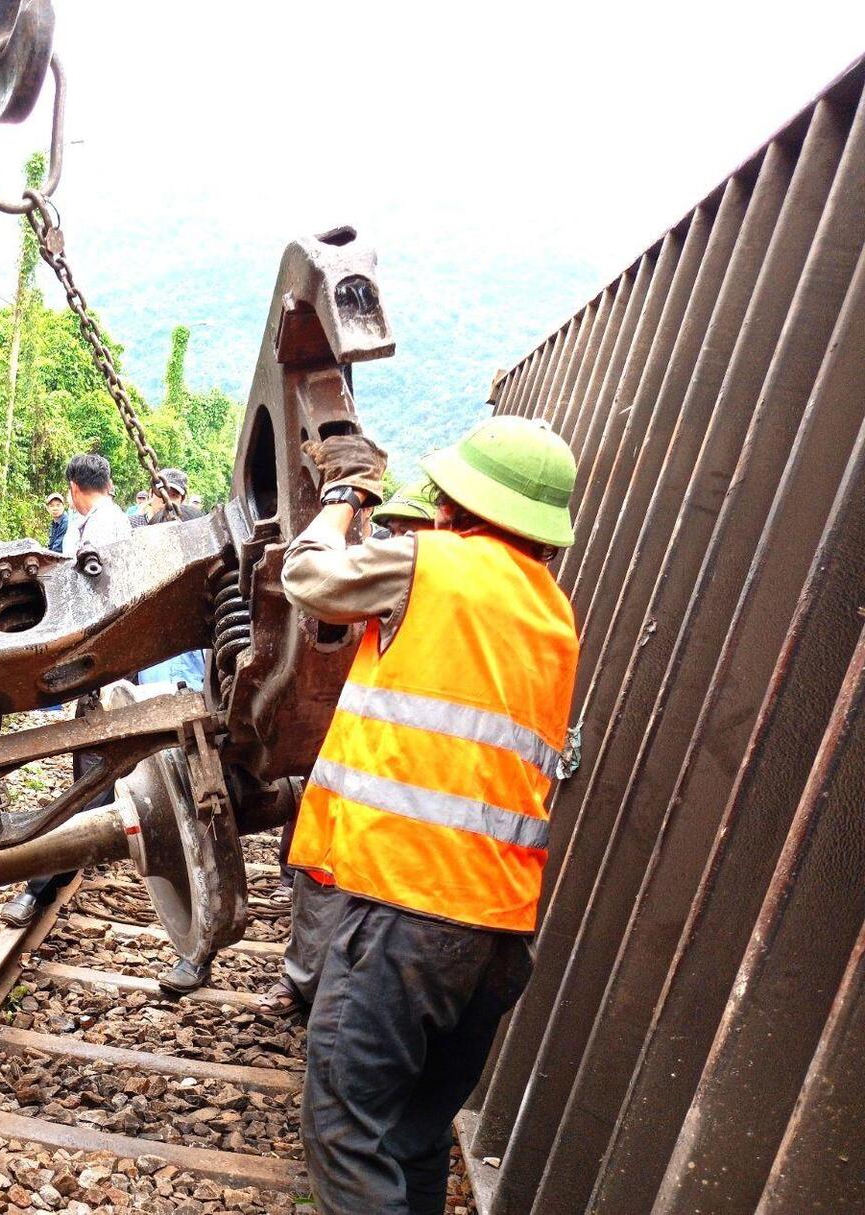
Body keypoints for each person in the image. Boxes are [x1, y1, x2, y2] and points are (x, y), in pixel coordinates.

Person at [281, 419, 579, 1215]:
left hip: (407, 916)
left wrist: (345, 496)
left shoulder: (434, 562)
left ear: (452, 504)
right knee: (411, 1135)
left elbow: (308, 576)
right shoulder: (553, 616)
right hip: (497, 937)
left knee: (345, 1131)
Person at [255, 474, 440, 1021]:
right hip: (354, 763)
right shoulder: (390, 577)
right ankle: (302, 982)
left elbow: (311, 576)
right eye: (395, 528)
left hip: (397, 775)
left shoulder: (418, 579)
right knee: (321, 876)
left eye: (409, 530)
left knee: (364, 895)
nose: (399, 538)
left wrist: (342, 501)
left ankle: (332, 997)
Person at [0, 454, 135, 929]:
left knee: (90, 780)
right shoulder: (111, 520)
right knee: (91, 767)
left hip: (104, 663)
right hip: (108, 662)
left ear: (75, 487)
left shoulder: (98, 530)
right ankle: (96, 837)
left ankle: (40, 883)